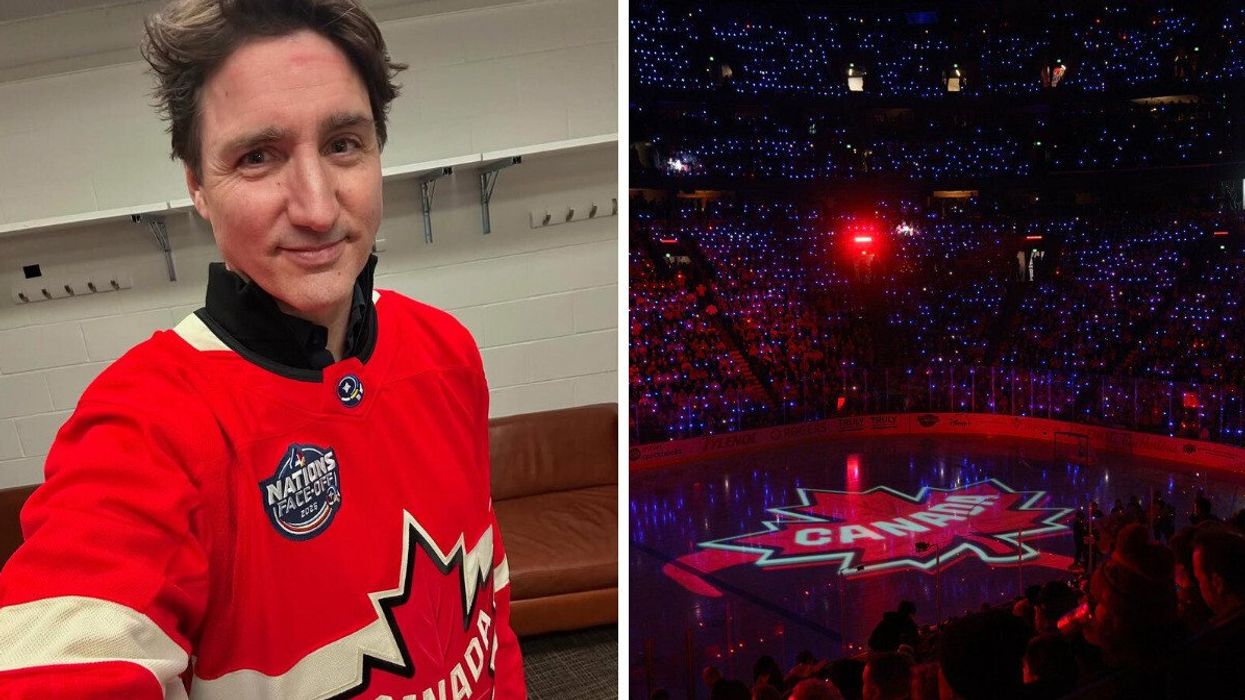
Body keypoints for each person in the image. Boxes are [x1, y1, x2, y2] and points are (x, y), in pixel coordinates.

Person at [0, 1, 524, 697]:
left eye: (343, 144)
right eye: (257, 157)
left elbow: (489, 606)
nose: (315, 207)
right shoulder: (144, 426)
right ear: (197, 186)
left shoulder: (445, 347)